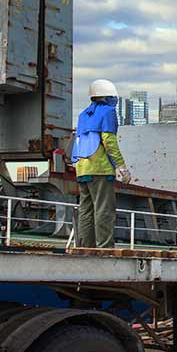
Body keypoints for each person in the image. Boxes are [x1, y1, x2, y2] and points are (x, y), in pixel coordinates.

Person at [72, 79, 131, 248]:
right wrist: (121, 167)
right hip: (101, 169)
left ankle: (86, 248)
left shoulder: (83, 115)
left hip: (82, 168)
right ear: (108, 96)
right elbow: (109, 142)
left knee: (85, 211)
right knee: (104, 210)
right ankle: (104, 248)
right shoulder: (108, 112)